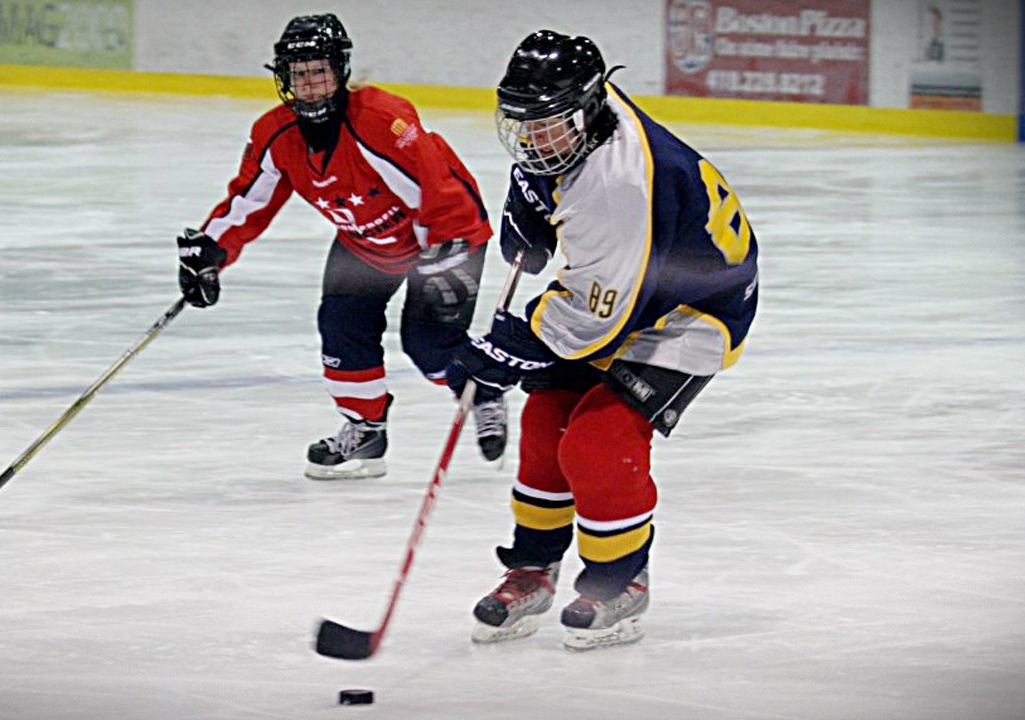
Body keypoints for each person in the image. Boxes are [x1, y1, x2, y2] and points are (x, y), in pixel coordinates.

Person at [446, 30, 759, 651]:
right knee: (543, 424)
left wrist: (507, 346)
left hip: (693, 308)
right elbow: (553, 162)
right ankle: (532, 569)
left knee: (597, 439)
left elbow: (590, 319)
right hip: (634, 274)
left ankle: (621, 580)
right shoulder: (577, 119)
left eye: (546, 126)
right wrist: (532, 197)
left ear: (586, 111)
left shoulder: (618, 188)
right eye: (523, 122)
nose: (531, 138)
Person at [176, 13, 499, 481]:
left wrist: (444, 256)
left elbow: (438, 190)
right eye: (298, 73)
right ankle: (366, 428)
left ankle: (483, 392)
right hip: (364, 244)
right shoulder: (277, 133)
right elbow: (250, 200)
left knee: (429, 344)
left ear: (340, 70)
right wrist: (211, 250)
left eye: (318, 71)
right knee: (341, 327)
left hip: (445, 236)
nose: (308, 84)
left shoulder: (380, 121)